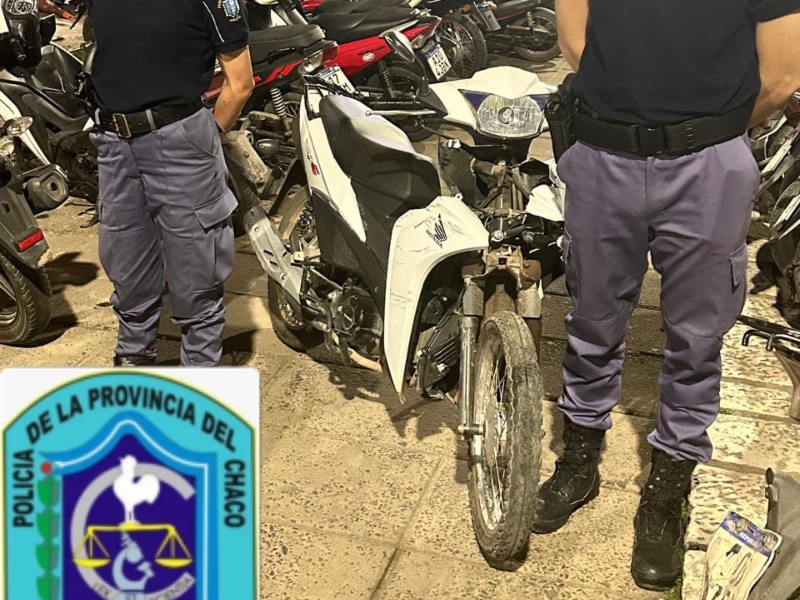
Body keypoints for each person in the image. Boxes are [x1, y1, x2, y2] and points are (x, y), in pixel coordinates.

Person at [533, 0, 800, 591]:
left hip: (708, 165)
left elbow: (781, 75)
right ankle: (579, 460)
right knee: (591, 322)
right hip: (603, 155)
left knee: (697, 340)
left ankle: (668, 488)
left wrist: (704, 131)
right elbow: (575, 41)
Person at [86, 0, 255, 367]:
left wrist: (204, 137)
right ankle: (133, 363)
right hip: (114, 144)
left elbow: (241, 82)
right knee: (127, 268)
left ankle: (199, 379)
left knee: (197, 277)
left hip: (179, 140)